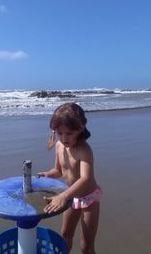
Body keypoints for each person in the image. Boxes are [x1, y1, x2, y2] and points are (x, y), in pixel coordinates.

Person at [37, 102, 102, 254]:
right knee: (65, 234)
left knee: (86, 245)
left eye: (69, 133)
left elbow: (85, 179)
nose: (64, 138)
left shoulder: (84, 150)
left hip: (89, 199)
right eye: (60, 133)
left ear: (80, 129)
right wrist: (47, 174)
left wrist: (63, 196)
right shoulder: (59, 146)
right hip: (72, 197)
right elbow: (58, 171)